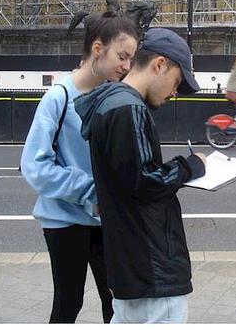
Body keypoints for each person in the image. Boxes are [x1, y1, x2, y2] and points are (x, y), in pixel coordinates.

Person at [75, 28, 207, 324]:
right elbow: (145, 182)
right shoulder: (129, 108)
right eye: (177, 81)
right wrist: (191, 167)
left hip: (129, 265)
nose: (174, 92)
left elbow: (128, 180)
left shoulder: (110, 103)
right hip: (153, 268)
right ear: (159, 65)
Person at [20, 12, 138, 323]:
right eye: (122, 56)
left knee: (117, 304)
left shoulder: (114, 96)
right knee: (68, 304)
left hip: (106, 219)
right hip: (64, 221)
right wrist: (92, 191)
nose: (127, 66)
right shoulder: (58, 97)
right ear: (98, 49)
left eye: (131, 59)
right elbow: (33, 166)